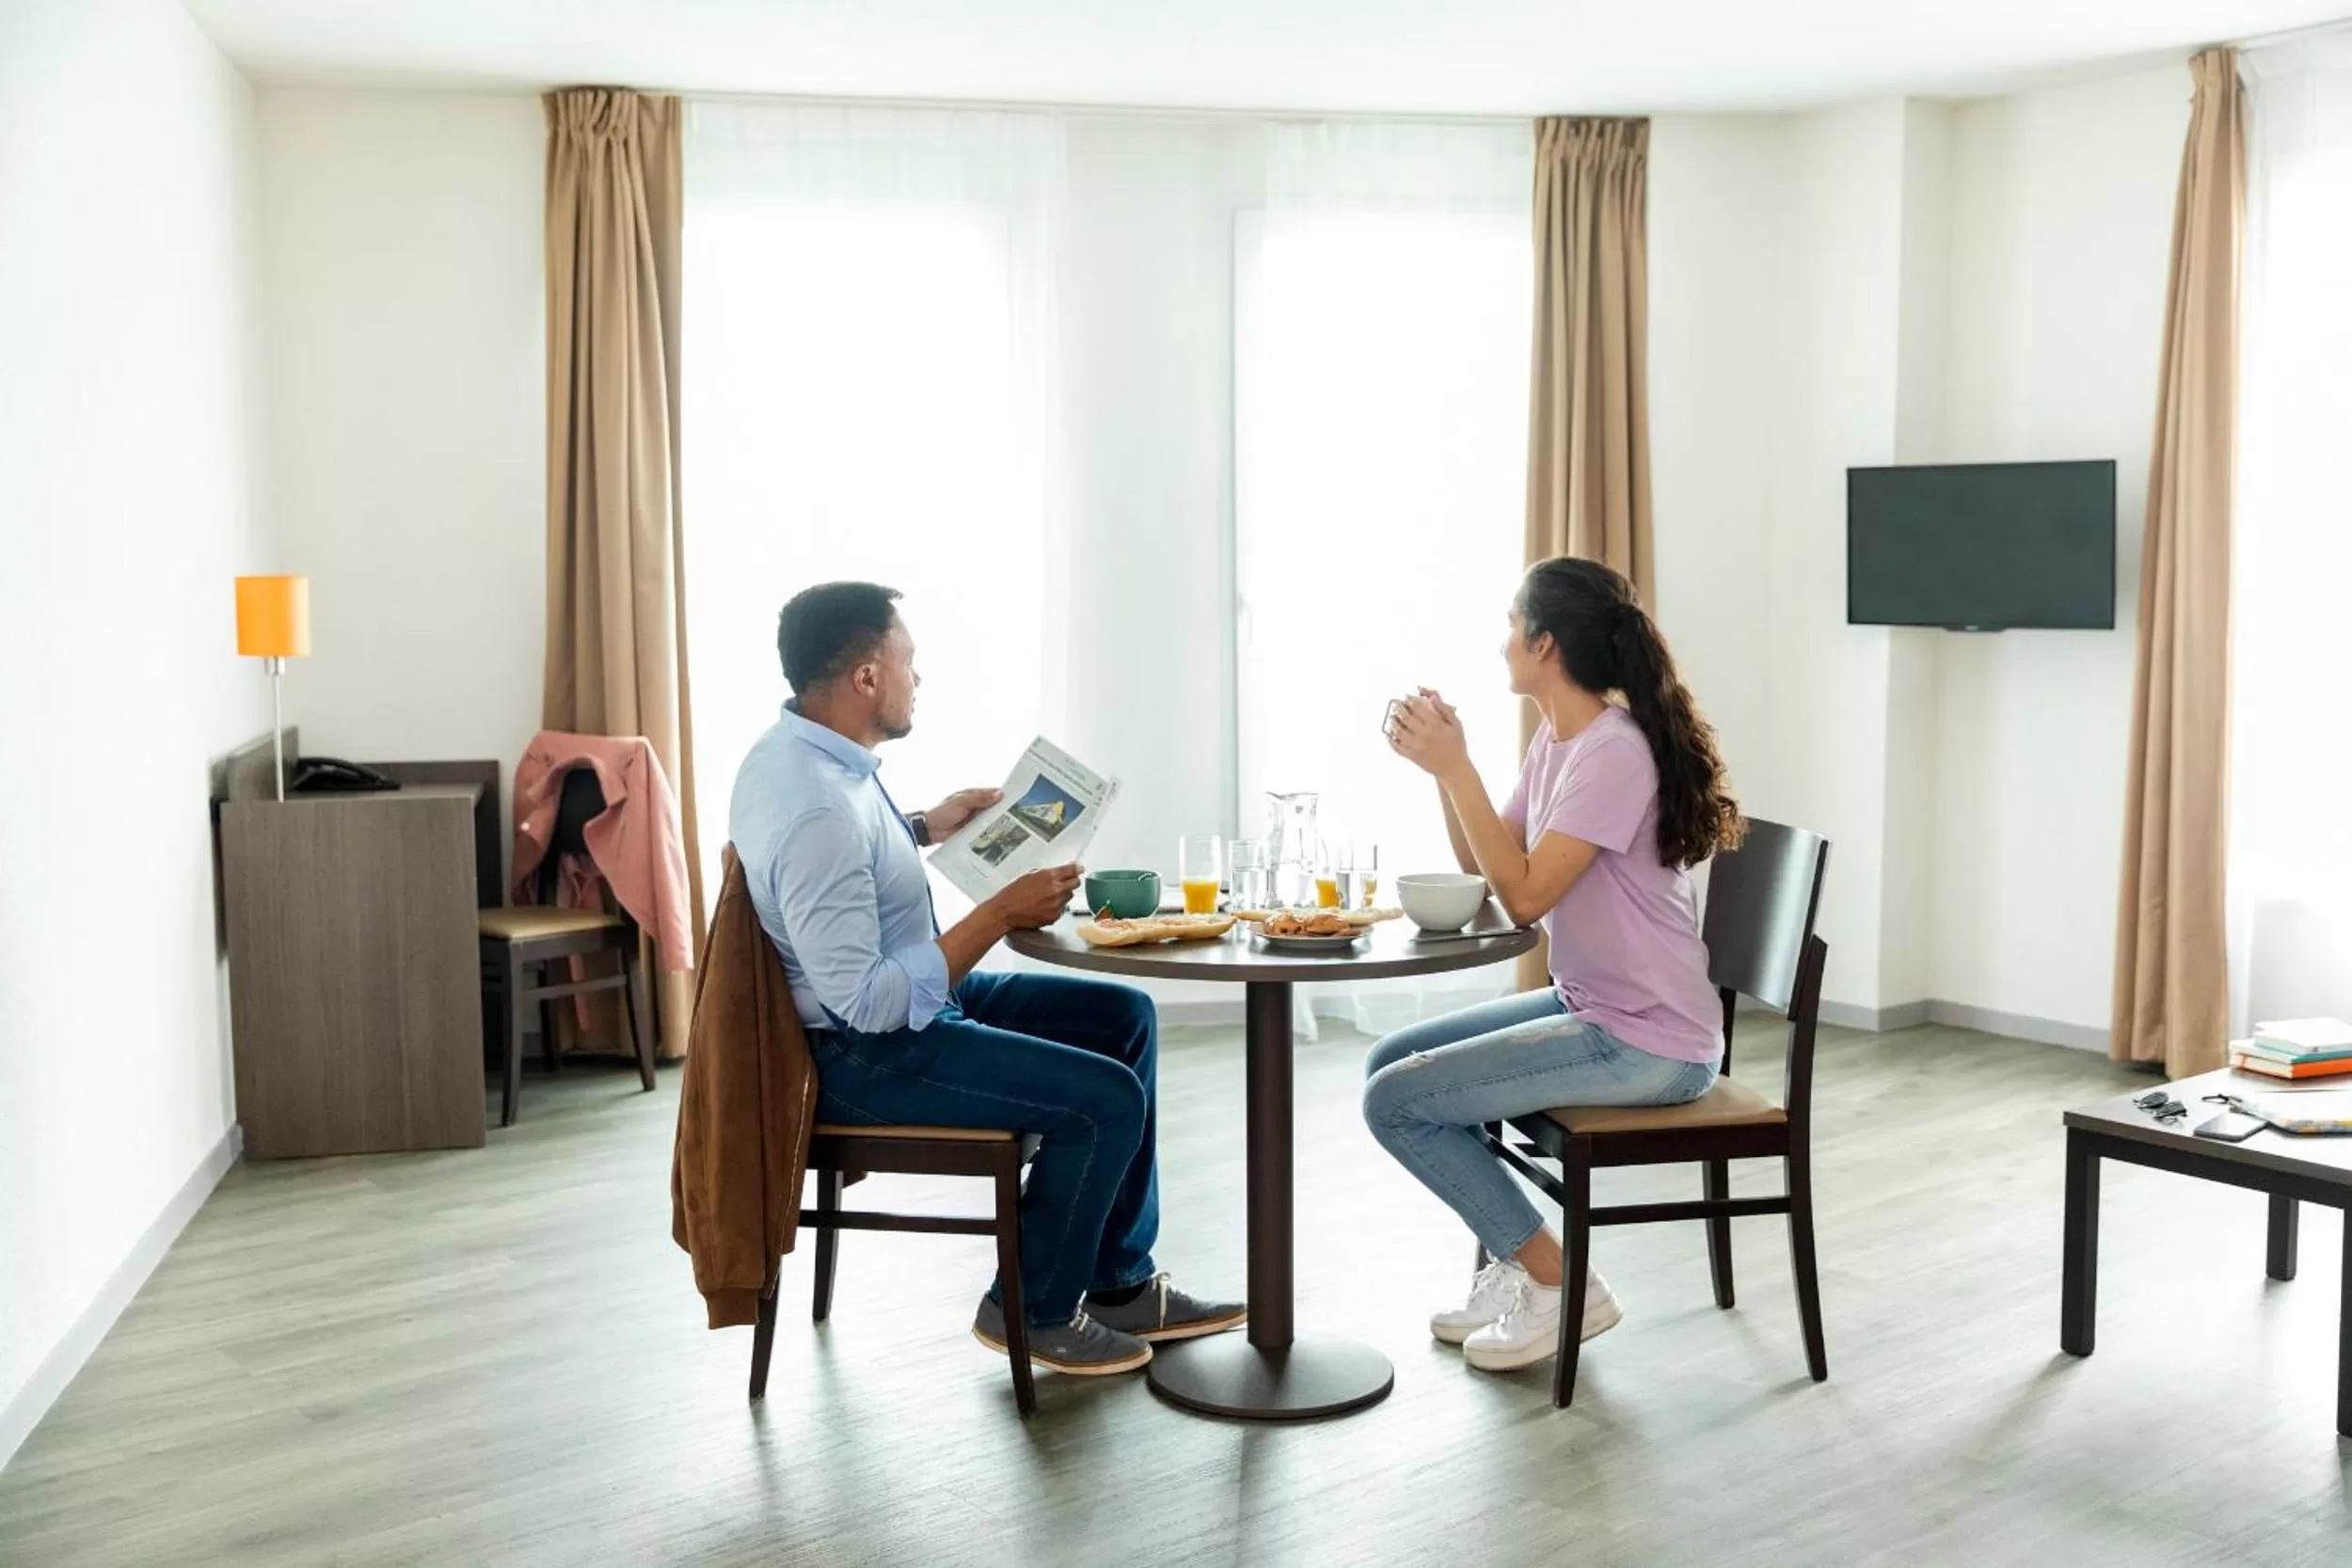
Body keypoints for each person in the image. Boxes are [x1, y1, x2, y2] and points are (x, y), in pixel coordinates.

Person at [729, 580, 1243, 1378]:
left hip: (909, 1006)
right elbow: (865, 1005)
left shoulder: (800, 757)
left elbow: (836, 885)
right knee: (1105, 1099)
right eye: (908, 662)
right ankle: (1032, 1307)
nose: (917, 679)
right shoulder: (817, 809)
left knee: (1126, 1016)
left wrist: (927, 825)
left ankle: (1117, 1281)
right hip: (861, 1053)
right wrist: (999, 913)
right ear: (866, 677)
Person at [1366, 557, 1741, 1373]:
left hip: (1651, 1043)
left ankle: (1558, 1281)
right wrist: (1444, 772)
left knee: (1396, 1102)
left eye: (1511, 626)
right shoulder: (1560, 741)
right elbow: (1487, 862)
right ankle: (1519, 1265)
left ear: (1545, 644)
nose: (1501, 643)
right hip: (1596, 1006)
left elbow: (1527, 898)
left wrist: (1456, 764)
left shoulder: (1614, 752)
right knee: (1387, 1061)